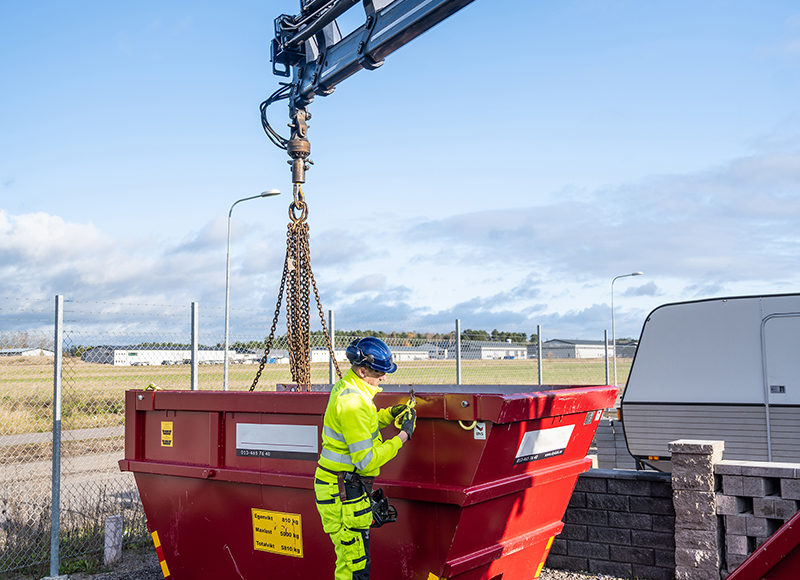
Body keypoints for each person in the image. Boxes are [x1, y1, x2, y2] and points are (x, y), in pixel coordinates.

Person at [314, 336, 416, 580]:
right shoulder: (353, 402)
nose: (384, 378)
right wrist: (402, 436)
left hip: (343, 487)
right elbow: (366, 461)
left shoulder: (350, 389)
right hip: (342, 493)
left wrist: (390, 414)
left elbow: (363, 425)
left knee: (351, 563)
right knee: (354, 568)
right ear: (362, 371)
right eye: (379, 373)